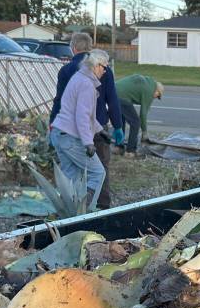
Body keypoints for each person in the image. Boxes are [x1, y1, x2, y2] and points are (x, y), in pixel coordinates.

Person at [49, 32, 123, 207]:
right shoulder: (87, 81)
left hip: (71, 129)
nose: (105, 70)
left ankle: (71, 211)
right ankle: (95, 207)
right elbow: (108, 102)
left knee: (71, 174)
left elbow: (59, 101)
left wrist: (52, 125)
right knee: (99, 171)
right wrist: (116, 126)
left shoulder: (68, 71)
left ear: (73, 48)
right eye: (103, 67)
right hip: (79, 131)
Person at [114, 75, 163, 157]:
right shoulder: (150, 91)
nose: (155, 98)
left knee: (121, 120)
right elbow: (143, 114)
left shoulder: (148, 82)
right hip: (123, 97)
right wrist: (144, 133)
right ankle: (130, 151)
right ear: (157, 91)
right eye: (158, 96)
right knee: (136, 122)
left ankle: (118, 147)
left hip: (114, 91)